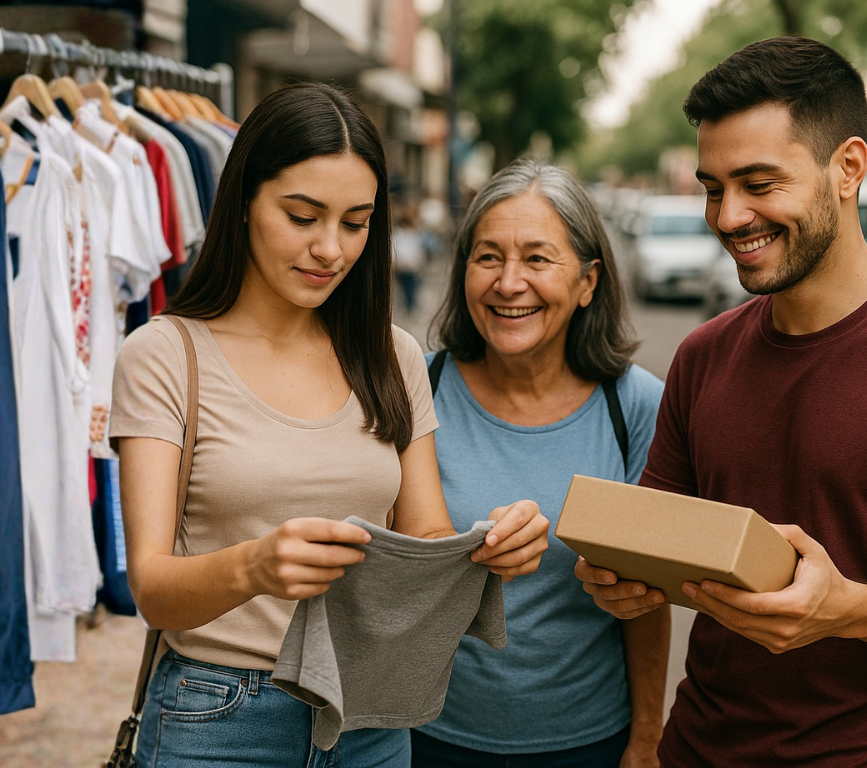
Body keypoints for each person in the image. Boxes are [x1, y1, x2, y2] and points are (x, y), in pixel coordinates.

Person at [575, 37, 867, 767]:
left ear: (848, 167)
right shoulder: (703, 355)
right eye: (712, 187)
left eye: (759, 183)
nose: (729, 217)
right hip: (699, 749)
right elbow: (664, 555)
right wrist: (621, 581)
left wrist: (844, 609)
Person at [110, 83, 550, 768]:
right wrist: (256, 564)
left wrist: (490, 544)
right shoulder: (164, 355)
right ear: (244, 202)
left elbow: (425, 535)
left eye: (355, 222)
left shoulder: (391, 353)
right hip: (218, 718)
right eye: (302, 215)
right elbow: (154, 589)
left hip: (370, 713)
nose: (330, 249)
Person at [411, 159, 670, 767]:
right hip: (426, 739)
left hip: (589, 745)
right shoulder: (415, 389)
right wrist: (460, 555)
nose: (508, 283)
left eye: (537, 258)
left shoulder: (634, 405)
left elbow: (648, 599)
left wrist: (647, 737)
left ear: (588, 282)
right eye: (488, 257)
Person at [392, 204, 425, 315]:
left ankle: (410, 304)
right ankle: (409, 304)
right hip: (407, 265)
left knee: (409, 285)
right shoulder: (408, 234)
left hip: (407, 265)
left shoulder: (403, 234)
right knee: (409, 285)